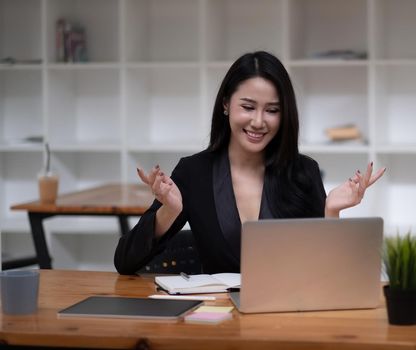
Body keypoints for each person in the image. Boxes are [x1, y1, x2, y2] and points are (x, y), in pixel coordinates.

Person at [114, 51, 385, 275]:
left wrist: (331, 212)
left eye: (272, 110)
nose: (258, 121)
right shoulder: (193, 172)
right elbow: (124, 262)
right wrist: (169, 211)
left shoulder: (303, 172)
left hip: (286, 323)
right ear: (225, 105)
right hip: (217, 326)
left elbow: (328, 274)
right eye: (247, 106)